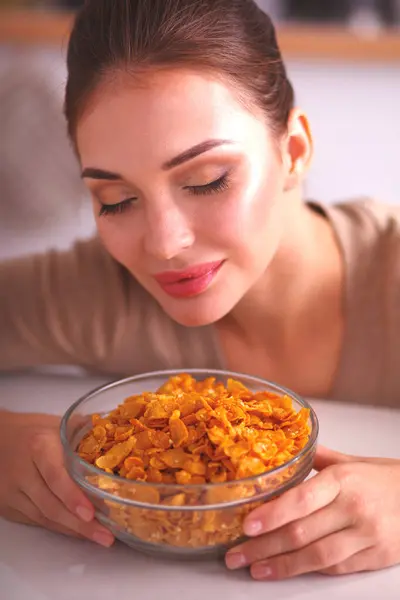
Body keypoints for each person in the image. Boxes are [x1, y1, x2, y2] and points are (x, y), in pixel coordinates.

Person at [1, 0, 400, 580]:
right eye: (116, 200)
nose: (164, 243)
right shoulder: (96, 292)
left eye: (207, 181)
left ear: (293, 152)